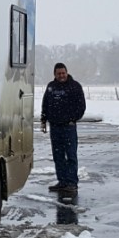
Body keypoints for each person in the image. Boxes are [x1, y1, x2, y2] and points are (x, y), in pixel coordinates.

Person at [40, 62, 86, 194]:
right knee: (58, 156)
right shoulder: (51, 87)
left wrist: (73, 119)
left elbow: (81, 106)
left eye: (63, 73)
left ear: (67, 72)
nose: (61, 76)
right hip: (55, 127)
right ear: (55, 74)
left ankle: (72, 183)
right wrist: (43, 120)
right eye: (59, 73)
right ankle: (62, 181)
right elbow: (45, 104)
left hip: (69, 127)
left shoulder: (75, 86)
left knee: (71, 155)